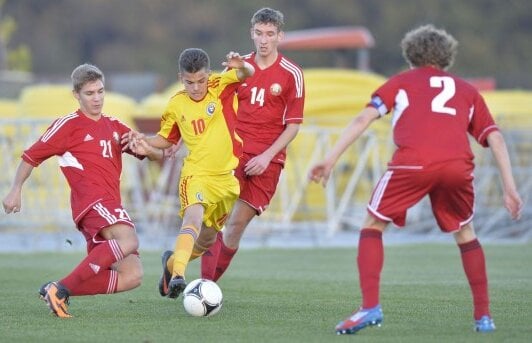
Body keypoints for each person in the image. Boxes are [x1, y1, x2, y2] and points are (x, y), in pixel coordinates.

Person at [308, 24, 523, 334]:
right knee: (465, 233)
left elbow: (363, 118)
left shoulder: (400, 83)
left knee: (373, 224)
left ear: (410, 56)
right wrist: (510, 189)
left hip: (413, 164)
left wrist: (329, 160)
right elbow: (496, 138)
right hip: (457, 166)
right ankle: (484, 318)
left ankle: (370, 307)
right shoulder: (467, 90)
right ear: (447, 57)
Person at [2, 64, 146, 318]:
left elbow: (151, 151)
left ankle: (56, 289)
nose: (97, 98)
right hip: (92, 203)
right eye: (90, 93)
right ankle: (61, 288)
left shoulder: (114, 126)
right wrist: (15, 190)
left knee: (132, 276)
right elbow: (30, 157)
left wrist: (153, 145)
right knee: (129, 239)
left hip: (111, 205)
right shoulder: (68, 126)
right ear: (76, 95)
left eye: (101, 91)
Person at [124, 48, 254, 298]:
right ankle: (179, 276)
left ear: (208, 75)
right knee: (192, 220)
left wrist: (242, 66)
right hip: (196, 175)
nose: (196, 87)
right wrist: (145, 140)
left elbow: (247, 73)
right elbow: (166, 138)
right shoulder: (176, 103)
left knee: (206, 241)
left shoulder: (221, 84)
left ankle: (171, 265)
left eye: (200, 81)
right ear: (181, 78)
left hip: (226, 180)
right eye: (189, 82)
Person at [200, 7, 305, 282]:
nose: (264, 40)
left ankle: (207, 285)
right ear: (251, 33)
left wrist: (267, 157)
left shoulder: (291, 74)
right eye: (259, 33)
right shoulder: (239, 67)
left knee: (235, 227)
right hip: (233, 153)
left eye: (270, 34)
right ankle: (195, 279)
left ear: (280, 36)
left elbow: (293, 125)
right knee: (212, 220)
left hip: (266, 161)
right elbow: (212, 106)